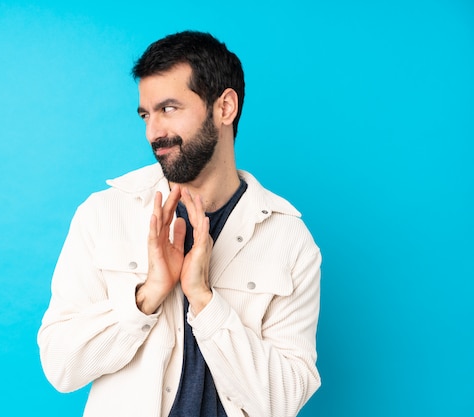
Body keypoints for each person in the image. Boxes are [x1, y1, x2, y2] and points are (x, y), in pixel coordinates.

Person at [37, 30, 321, 417]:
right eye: (145, 114)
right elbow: (60, 365)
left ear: (225, 108)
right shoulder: (104, 214)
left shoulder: (287, 239)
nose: (154, 132)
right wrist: (148, 295)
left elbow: (283, 401)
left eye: (169, 109)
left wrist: (204, 300)